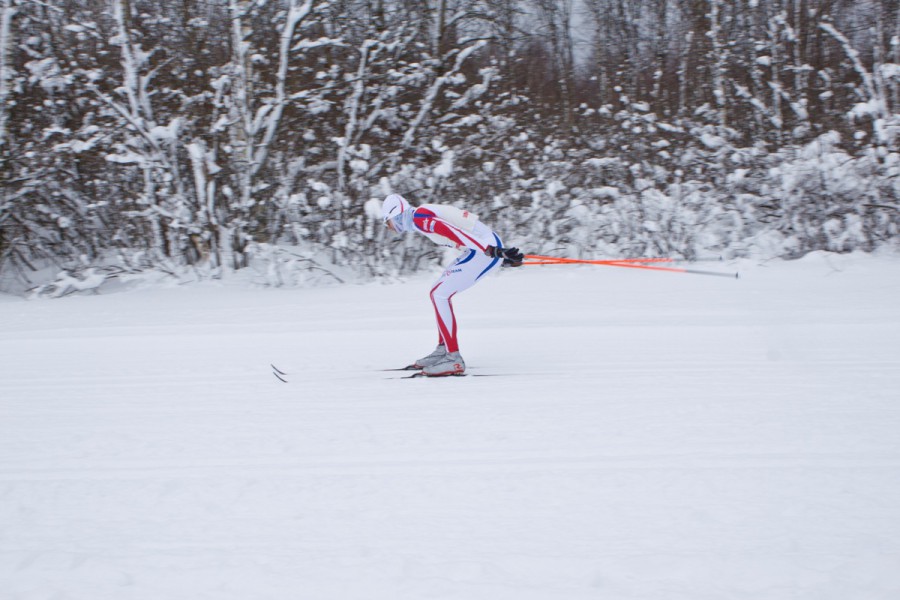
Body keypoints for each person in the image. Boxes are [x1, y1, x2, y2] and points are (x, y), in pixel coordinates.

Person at [381, 193, 525, 376]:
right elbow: (460, 235)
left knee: (439, 294)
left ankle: (453, 358)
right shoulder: (420, 217)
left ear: (397, 215)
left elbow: (454, 232)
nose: (390, 228)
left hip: (482, 248)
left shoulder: (419, 217)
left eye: (389, 223)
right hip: (481, 249)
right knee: (438, 292)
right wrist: (498, 257)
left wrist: (491, 251)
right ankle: (444, 349)